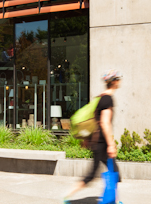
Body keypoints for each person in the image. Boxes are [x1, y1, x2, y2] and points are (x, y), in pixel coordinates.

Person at [64, 69, 121, 203]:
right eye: (118, 79)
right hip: (101, 143)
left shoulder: (100, 98)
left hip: (97, 142)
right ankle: (67, 196)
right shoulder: (107, 99)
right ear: (114, 82)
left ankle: (114, 200)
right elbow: (104, 123)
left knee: (110, 171)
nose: (119, 82)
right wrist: (111, 144)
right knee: (104, 173)